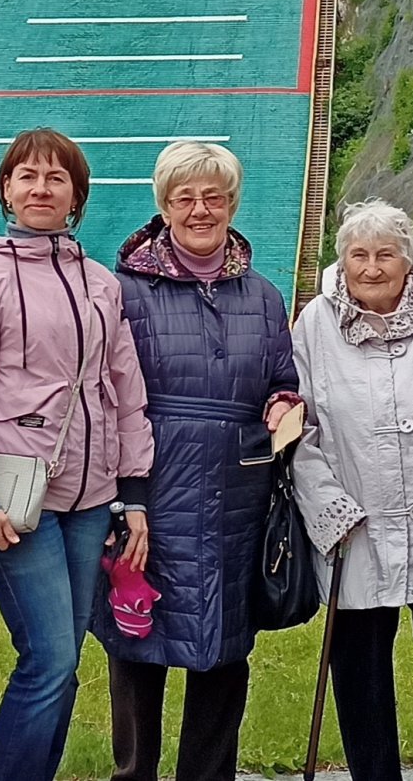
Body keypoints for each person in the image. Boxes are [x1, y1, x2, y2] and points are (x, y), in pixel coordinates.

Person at [0, 128, 155, 781]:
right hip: (16, 497)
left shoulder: (100, 284)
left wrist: (135, 494)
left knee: (63, 667)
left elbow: (125, 391)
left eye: (56, 178)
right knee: (49, 658)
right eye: (27, 176)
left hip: (90, 500)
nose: (41, 188)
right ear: (5, 190)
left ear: (76, 198)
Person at [93, 140, 300, 781]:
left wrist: (283, 402)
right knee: (137, 635)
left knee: (224, 646)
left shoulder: (262, 295)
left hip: (237, 490)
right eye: (186, 197)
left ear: (233, 204)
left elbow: (281, 376)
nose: (201, 209)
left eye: (214, 196)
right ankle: (135, 774)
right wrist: (124, 495)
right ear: (164, 205)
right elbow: (105, 390)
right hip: (150, 484)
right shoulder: (123, 289)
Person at [290, 199, 413, 781]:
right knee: (360, 668)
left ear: (409, 259)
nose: (372, 268)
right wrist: (329, 507)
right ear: (342, 261)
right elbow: (297, 428)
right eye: (359, 255)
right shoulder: (315, 324)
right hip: (357, 522)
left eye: (386, 254)